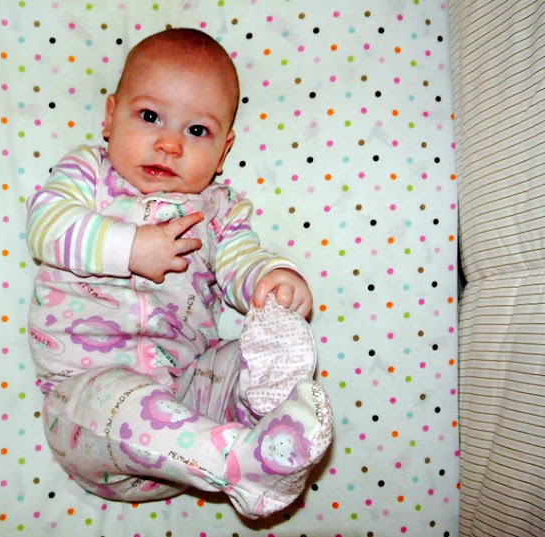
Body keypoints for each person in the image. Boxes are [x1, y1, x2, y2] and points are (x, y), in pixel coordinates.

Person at [25, 28, 332, 519]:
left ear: (223, 151)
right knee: (112, 398)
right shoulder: (89, 175)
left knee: (249, 346)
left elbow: (240, 260)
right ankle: (238, 465)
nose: (169, 144)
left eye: (197, 131)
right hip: (87, 407)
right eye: (150, 117)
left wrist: (270, 279)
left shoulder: (218, 210)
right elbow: (45, 226)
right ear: (110, 117)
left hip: (191, 393)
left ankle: (263, 415)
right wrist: (130, 247)